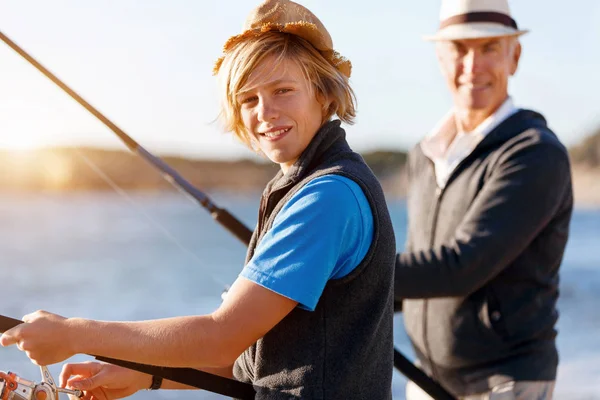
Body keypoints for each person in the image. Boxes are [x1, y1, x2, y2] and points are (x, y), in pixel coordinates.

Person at [0, 1, 396, 399]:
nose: (265, 112)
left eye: (283, 90)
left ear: (324, 93)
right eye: (249, 99)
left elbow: (222, 336)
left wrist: (74, 334)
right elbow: (252, 361)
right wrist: (145, 375)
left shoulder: (327, 197)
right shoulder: (301, 186)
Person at [394, 0, 574, 399]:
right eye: (458, 49)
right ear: (440, 58)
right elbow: (416, 268)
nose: (472, 66)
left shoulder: (533, 153)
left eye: (489, 48)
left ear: (515, 56)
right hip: (425, 378)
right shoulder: (423, 155)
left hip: (505, 383)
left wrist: (349, 275)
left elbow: (463, 265)